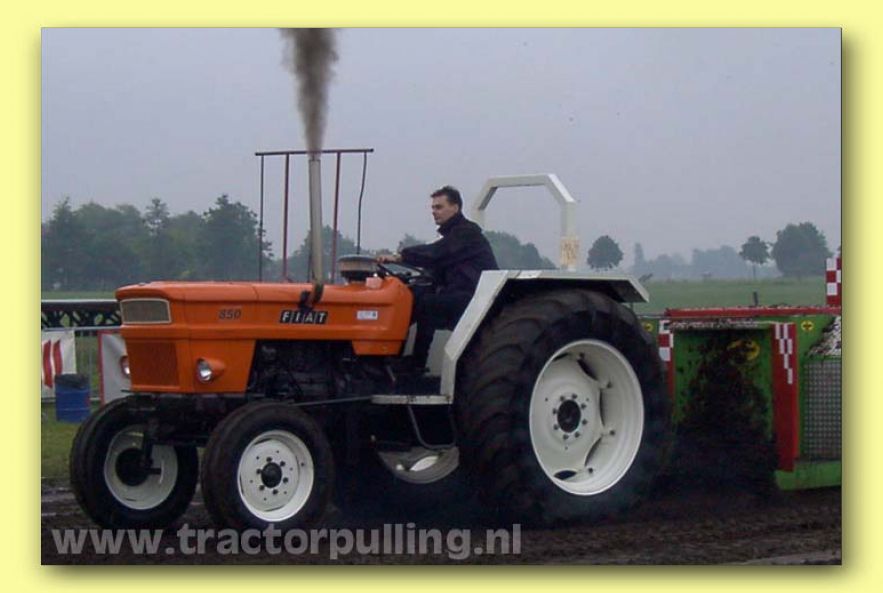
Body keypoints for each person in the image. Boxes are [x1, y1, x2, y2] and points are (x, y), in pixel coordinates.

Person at [379, 185, 498, 372]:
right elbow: (437, 268)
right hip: (456, 293)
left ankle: (417, 362)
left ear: (455, 208)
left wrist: (400, 256)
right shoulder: (452, 237)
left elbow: (436, 254)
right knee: (411, 296)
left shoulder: (467, 234)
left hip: (475, 298)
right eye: (433, 208)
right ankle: (386, 357)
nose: (434, 212)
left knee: (428, 304)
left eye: (439, 207)